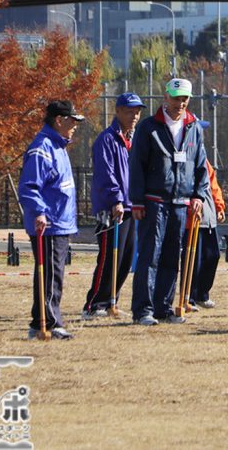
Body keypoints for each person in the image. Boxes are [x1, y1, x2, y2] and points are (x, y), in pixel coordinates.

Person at [129, 78, 209, 326]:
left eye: (185, 98)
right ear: (166, 97)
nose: (180, 103)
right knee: (149, 256)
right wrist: (137, 201)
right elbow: (136, 167)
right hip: (153, 201)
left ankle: (163, 307)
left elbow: (200, 165)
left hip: (181, 203)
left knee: (172, 257)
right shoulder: (148, 127)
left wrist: (198, 195)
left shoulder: (194, 127)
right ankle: (143, 310)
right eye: (176, 98)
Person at [19, 100, 85, 340]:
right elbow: (29, 186)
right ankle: (48, 322)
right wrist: (39, 212)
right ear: (59, 120)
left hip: (60, 222)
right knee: (49, 275)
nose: (75, 126)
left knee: (55, 274)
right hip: (48, 224)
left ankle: (42, 321)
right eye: (72, 121)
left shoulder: (58, 146)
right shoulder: (42, 148)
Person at [82, 92, 145, 320]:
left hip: (131, 206)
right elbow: (105, 173)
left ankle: (112, 300)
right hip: (111, 207)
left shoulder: (135, 138)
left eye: (137, 111)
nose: (134, 116)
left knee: (126, 257)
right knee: (110, 256)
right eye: (130, 111)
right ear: (117, 111)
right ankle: (94, 303)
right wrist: (115, 199)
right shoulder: (107, 139)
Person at [191, 150, 226, 309]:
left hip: (209, 217)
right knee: (194, 261)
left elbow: (214, 186)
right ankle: (190, 297)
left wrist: (219, 206)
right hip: (193, 218)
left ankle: (202, 294)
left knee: (214, 255)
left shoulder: (204, 161)